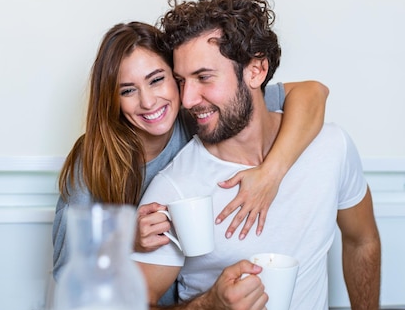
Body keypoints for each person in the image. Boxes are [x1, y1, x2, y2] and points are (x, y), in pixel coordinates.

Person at [132, 0, 401, 310]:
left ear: (256, 71)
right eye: (181, 81)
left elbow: (362, 240)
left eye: (204, 77)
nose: (188, 99)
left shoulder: (330, 147)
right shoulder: (175, 188)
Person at [51, 22, 329, 282]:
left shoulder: (201, 116)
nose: (148, 102)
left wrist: (271, 174)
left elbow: (312, 92)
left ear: (177, 79)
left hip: (193, 306)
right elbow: (67, 273)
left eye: (157, 80)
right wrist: (126, 239)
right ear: (112, 99)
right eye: (127, 90)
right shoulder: (93, 160)